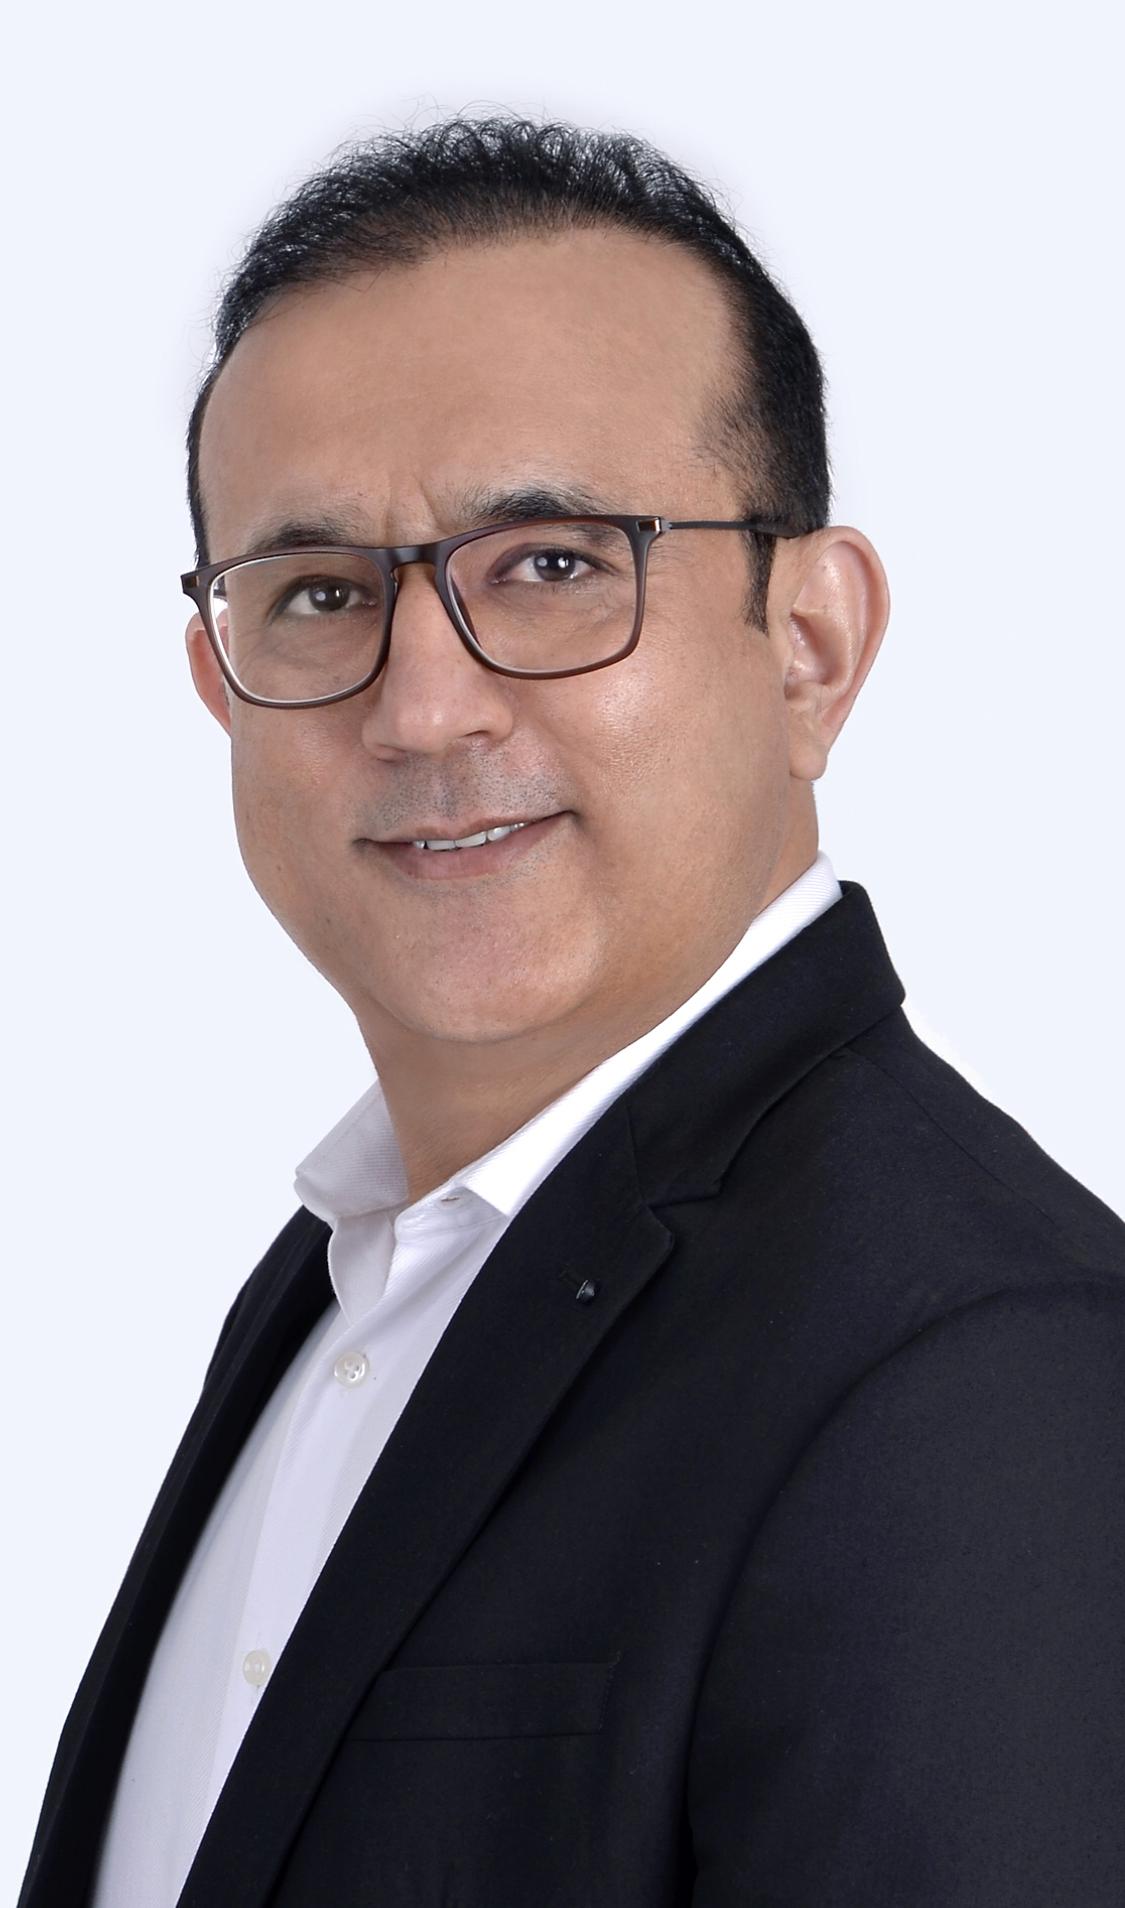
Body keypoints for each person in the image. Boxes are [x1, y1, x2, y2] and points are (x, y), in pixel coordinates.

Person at [19, 114, 1125, 1908]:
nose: (422, 708)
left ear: (809, 646)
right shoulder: (344, 1290)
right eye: (318, 594)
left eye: (549, 564)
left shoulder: (988, 1378)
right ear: (218, 684)